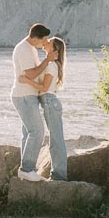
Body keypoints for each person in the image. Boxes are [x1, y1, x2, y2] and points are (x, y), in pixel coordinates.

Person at [11, 23, 51, 182]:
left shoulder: (30, 49)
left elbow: (31, 75)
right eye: (44, 40)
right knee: (37, 132)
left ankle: (27, 169)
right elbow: (32, 74)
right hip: (24, 96)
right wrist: (47, 61)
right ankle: (26, 169)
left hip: (26, 95)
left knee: (28, 133)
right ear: (36, 38)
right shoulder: (24, 50)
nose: (45, 43)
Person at [33, 36, 67, 182]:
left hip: (49, 102)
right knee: (56, 138)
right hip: (49, 102)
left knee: (56, 140)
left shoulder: (51, 65)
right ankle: (58, 174)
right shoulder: (49, 63)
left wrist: (26, 80)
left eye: (49, 42)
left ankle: (59, 175)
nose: (46, 42)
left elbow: (44, 88)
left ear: (54, 50)